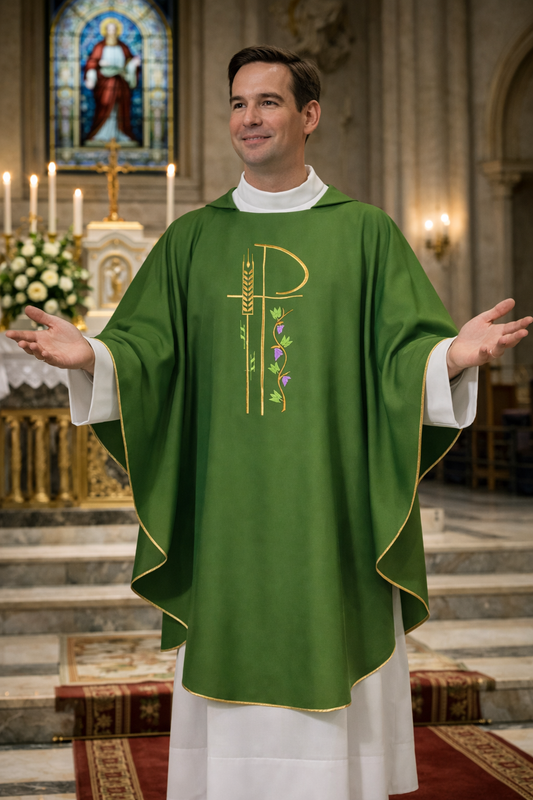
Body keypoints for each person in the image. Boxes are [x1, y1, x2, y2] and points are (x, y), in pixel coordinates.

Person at [8, 45, 531, 800]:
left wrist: (449, 356)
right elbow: (147, 353)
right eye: (236, 104)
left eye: (268, 102)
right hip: (226, 512)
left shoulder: (364, 234)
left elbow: (399, 354)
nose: (247, 119)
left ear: (308, 114)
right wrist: (91, 354)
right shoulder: (192, 240)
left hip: (332, 509)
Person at [83, 18, 141, 145]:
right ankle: (101, 134)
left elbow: (130, 63)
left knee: (120, 108)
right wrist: (98, 65)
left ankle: (120, 133)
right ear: (105, 31)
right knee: (105, 104)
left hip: (121, 83)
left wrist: (133, 64)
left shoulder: (123, 47)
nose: (112, 32)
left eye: (114, 30)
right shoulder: (99, 47)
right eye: (109, 30)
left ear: (117, 31)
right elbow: (91, 63)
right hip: (105, 84)